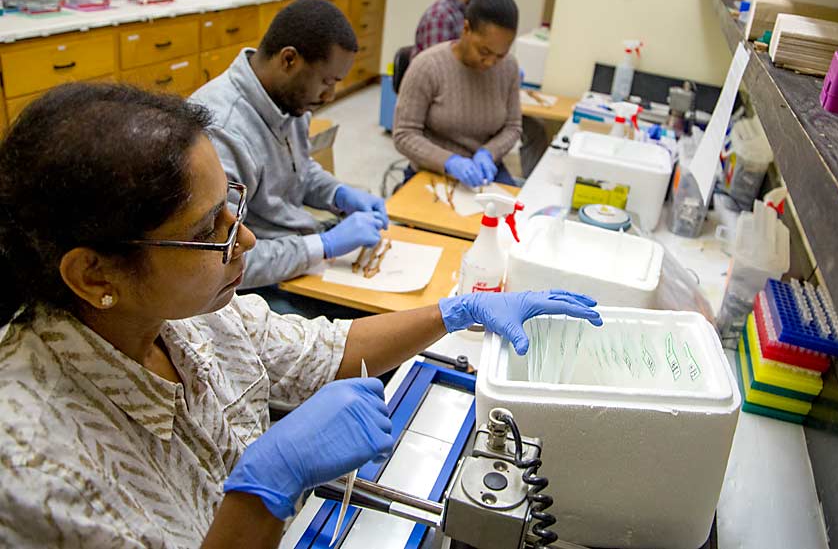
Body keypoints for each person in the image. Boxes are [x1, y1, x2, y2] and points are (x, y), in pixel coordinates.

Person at [0, 82, 602, 548]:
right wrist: (264, 493)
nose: (248, 242)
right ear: (95, 275)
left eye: (230, 207)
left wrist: (457, 311)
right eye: (208, 233)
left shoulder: (192, 312)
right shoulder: (32, 467)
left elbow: (325, 352)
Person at [190, 0, 386, 293]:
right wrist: (323, 246)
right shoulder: (222, 132)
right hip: (248, 283)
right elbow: (217, 262)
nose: (330, 96)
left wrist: (338, 193)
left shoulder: (290, 101)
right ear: (289, 59)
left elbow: (299, 168)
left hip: (293, 248)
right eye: (326, 81)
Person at [395, 0, 521, 189]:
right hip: (431, 171)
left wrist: (489, 153)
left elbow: (513, 127)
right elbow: (404, 134)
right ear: (466, 29)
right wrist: (449, 161)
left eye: (500, 55)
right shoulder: (428, 66)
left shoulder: (509, 68)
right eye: (484, 51)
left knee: (509, 217)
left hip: (485, 173)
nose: (490, 62)